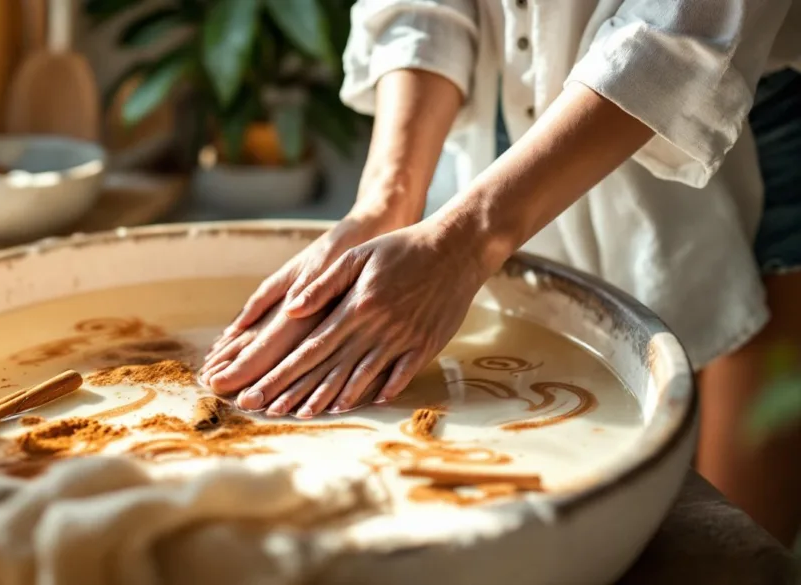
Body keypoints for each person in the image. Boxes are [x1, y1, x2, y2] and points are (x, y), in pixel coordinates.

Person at [200, 1, 801, 545]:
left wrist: (463, 244)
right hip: (504, 107)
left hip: (744, 124)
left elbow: (680, 33)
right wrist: (386, 203)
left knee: (734, 533)